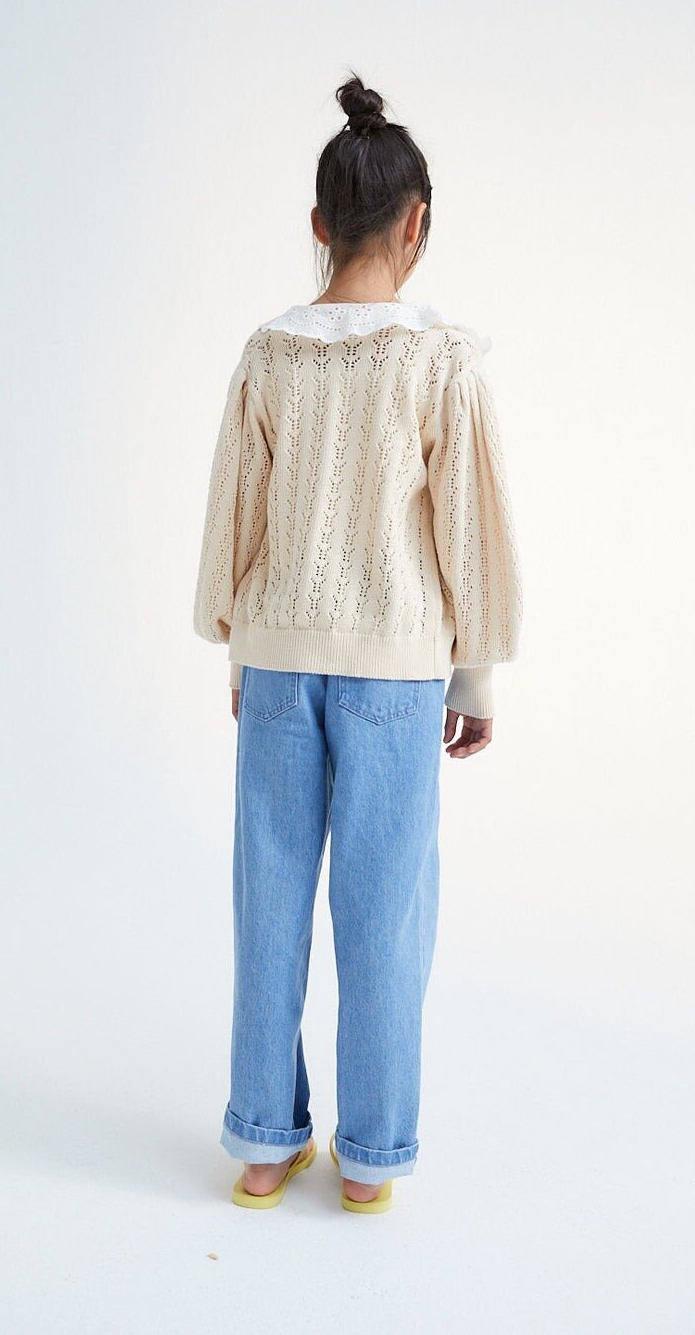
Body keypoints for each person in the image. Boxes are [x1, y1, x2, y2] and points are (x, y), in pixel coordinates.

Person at [192, 71, 522, 1213]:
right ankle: (371, 1158)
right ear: (416, 223)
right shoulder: (439, 360)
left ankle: (261, 1144)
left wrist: (240, 649)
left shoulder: (269, 354)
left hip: (278, 666)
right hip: (396, 676)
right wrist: (475, 674)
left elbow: (235, 518)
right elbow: (471, 530)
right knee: (384, 917)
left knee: (268, 901)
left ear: (319, 224)